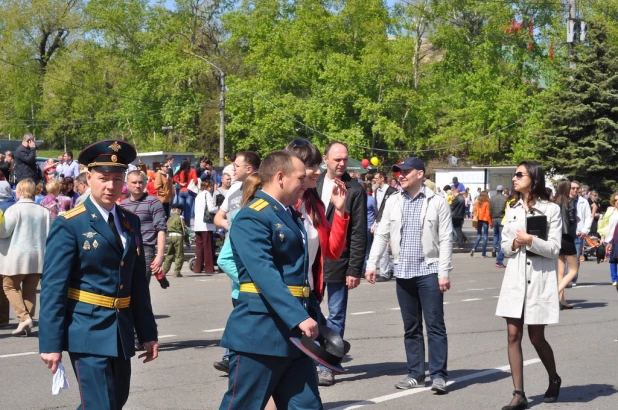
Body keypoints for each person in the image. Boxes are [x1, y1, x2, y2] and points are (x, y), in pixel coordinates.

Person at [39, 140, 159, 409]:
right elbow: (53, 287)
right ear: (89, 178)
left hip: (121, 329)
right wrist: (50, 342)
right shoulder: (70, 224)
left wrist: (148, 332)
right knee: (101, 404)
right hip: (87, 329)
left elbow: (137, 283)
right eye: (103, 178)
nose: (110, 186)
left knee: (115, 401)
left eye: (117, 179)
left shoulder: (130, 221)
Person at [219, 150, 323, 410]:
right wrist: (299, 317)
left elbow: (298, 278)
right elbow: (265, 275)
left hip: (294, 335)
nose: (305, 183)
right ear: (280, 177)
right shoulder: (252, 215)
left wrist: (319, 320)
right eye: (300, 178)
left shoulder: (286, 214)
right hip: (261, 335)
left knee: (307, 406)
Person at [365, 157, 453, 394]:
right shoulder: (394, 200)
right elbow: (382, 234)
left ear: (420, 174)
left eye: (405, 172)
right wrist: (372, 264)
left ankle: (438, 375)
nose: (400, 176)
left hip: (430, 271)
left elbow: (446, 239)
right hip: (403, 272)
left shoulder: (437, 201)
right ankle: (415, 373)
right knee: (411, 327)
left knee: (435, 325)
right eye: (398, 172)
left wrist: (444, 272)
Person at [495, 161, 562, 409]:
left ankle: (554, 378)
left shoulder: (551, 210)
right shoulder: (511, 208)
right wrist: (513, 244)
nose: (514, 178)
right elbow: (503, 246)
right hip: (514, 280)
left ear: (533, 178)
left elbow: (554, 249)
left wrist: (529, 239)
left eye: (519, 174)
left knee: (536, 337)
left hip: (538, 281)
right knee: (513, 334)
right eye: (514, 175)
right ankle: (519, 394)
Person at [315, 141, 367, 387]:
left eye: (345, 159)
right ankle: (310, 358)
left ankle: (328, 366)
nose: (342, 163)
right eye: (337, 159)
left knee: (336, 314)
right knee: (309, 311)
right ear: (326, 159)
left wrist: (354, 269)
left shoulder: (354, 190)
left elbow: (358, 232)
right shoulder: (312, 184)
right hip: (313, 260)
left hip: (338, 262)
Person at [212, 173, 263, 374]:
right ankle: (232, 361)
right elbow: (224, 260)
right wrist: (248, 279)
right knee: (245, 334)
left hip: (260, 291)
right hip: (245, 291)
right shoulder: (242, 220)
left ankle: (231, 359)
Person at [0, 179, 51, 335]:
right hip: (38, 256)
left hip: (17, 256)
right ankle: (27, 322)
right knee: (30, 290)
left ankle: (24, 318)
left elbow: (4, 232)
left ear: (20, 191)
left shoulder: (14, 210)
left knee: (9, 286)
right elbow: (49, 234)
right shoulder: (44, 211)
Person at [121, 171, 168, 285]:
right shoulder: (122, 205)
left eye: (141, 182)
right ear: (127, 184)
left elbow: (161, 229)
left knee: (142, 286)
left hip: (146, 249)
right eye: (134, 182)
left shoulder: (153, 202)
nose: (138, 185)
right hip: (127, 250)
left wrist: (160, 255)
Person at [214, 151, 261, 231]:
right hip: (230, 242)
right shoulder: (234, 188)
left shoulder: (263, 189)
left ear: (248, 169)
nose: (233, 168)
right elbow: (218, 216)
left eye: (237, 166)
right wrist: (226, 224)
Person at [552, 179, 578, 309]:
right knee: (573, 269)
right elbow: (572, 219)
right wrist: (576, 220)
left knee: (561, 271)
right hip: (567, 237)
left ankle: (562, 301)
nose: (572, 190)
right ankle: (554, 295)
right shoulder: (570, 201)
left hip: (557, 237)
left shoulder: (554, 201)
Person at [373, 171, 398, 281]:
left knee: (384, 250)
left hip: (389, 222)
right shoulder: (377, 191)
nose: (375, 180)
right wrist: (375, 222)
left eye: (376, 178)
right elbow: (377, 207)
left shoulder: (392, 191)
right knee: (380, 248)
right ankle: (390, 268)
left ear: (382, 178)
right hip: (379, 221)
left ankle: (385, 273)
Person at [570, 180, 592, 286]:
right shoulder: (564, 200)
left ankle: (573, 279)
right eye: (573, 188)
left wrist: (585, 230)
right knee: (565, 257)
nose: (575, 190)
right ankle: (565, 277)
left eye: (577, 188)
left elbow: (588, 216)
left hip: (578, 233)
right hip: (566, 233)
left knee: (576, 257)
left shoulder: (583, 201)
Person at [193, 180, 218, 274]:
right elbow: (211, 209)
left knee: (199, 248)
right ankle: (209, 268)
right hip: (206, 225)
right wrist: (219, 208)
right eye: (211, 186)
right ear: (208, 187)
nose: (212, 188)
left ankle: (198, 267)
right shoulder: (207, 194)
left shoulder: (198, 195)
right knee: (208, 247)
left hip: (198, 225)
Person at [163, 204, 190, 277]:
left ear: (172, 210)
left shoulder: (169, 218)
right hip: (178, 237)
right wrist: (187, 241)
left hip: (170, 237)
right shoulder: (180, 218)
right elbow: (185, 230)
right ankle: (176, 272)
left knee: (169, 254)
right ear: (179, 211)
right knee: (179, 255)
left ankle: (164, 271)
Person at [173, 158, 198, 229]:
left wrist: (180, 183)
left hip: (181, 191)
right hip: (189, 191)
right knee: (188, 210)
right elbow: (195, 181)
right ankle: (187, 225)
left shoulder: (180, 171)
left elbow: (174, 178)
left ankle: (180, 224)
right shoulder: (192, 171)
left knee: (181, 209)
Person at [599, 192, 618, 285]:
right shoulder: (610, 210)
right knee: (613, 259)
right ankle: (614, 279)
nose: (617, 202)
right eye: (615, 200)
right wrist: (602, 237)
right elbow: (605, 224)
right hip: (610, 238)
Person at [470, 191, 492, 257]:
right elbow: (487, 214)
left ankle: (473, 248)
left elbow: (474, 212)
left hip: (478, 220)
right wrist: (490, 223)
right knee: (485, 236)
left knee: (479, 236)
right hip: (485, 220)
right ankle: (483, 253)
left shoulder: (477, 203)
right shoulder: (487, 203)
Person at [490, 185, 508, 259]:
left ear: (497, 190)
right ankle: (500, 250)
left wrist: (491, 218)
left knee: (495, 235)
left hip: (494, 218)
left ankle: (494, 248)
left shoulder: (492, 199)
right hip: (502, 218)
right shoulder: (505, 198)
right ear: (502, 190)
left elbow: (490, 209)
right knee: (501, 235)